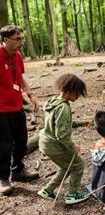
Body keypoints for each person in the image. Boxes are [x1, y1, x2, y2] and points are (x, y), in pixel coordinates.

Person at [38, 73, 89, 204]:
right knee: (77, 165)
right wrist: (73, 148)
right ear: (69, 90)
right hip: (54, 145)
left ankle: (47, 190)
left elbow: (60, 123)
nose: (78, 97)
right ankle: (72, 194)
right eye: (77, 93)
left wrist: (81, 122)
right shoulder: (64, 107)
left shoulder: (53, 101)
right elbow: (62, 134)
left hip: (45, 142)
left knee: (66, 166)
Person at [0, 25, 40, 196]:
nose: (21, 42)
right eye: (18, 39)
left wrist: (31, 94)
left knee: (22, 141)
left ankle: (17, 170)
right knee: (4, 145)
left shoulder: (17, 56)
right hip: (1, 109)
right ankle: (2, 178)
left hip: (16, 106)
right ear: (5, 40)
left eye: (22, 38)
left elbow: (20, 78)